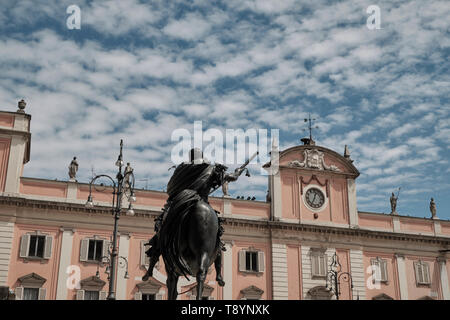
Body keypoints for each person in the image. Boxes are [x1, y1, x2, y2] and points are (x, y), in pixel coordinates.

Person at [142, 148, 248, 285]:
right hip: (202, 203)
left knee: (160, 234)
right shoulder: (211, 168)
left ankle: (150, 268)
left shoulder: (181, 170)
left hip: (179, 205)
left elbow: (170, 188)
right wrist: (239, 171)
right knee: (217, 239)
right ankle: (219, 274)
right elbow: (231, 177)